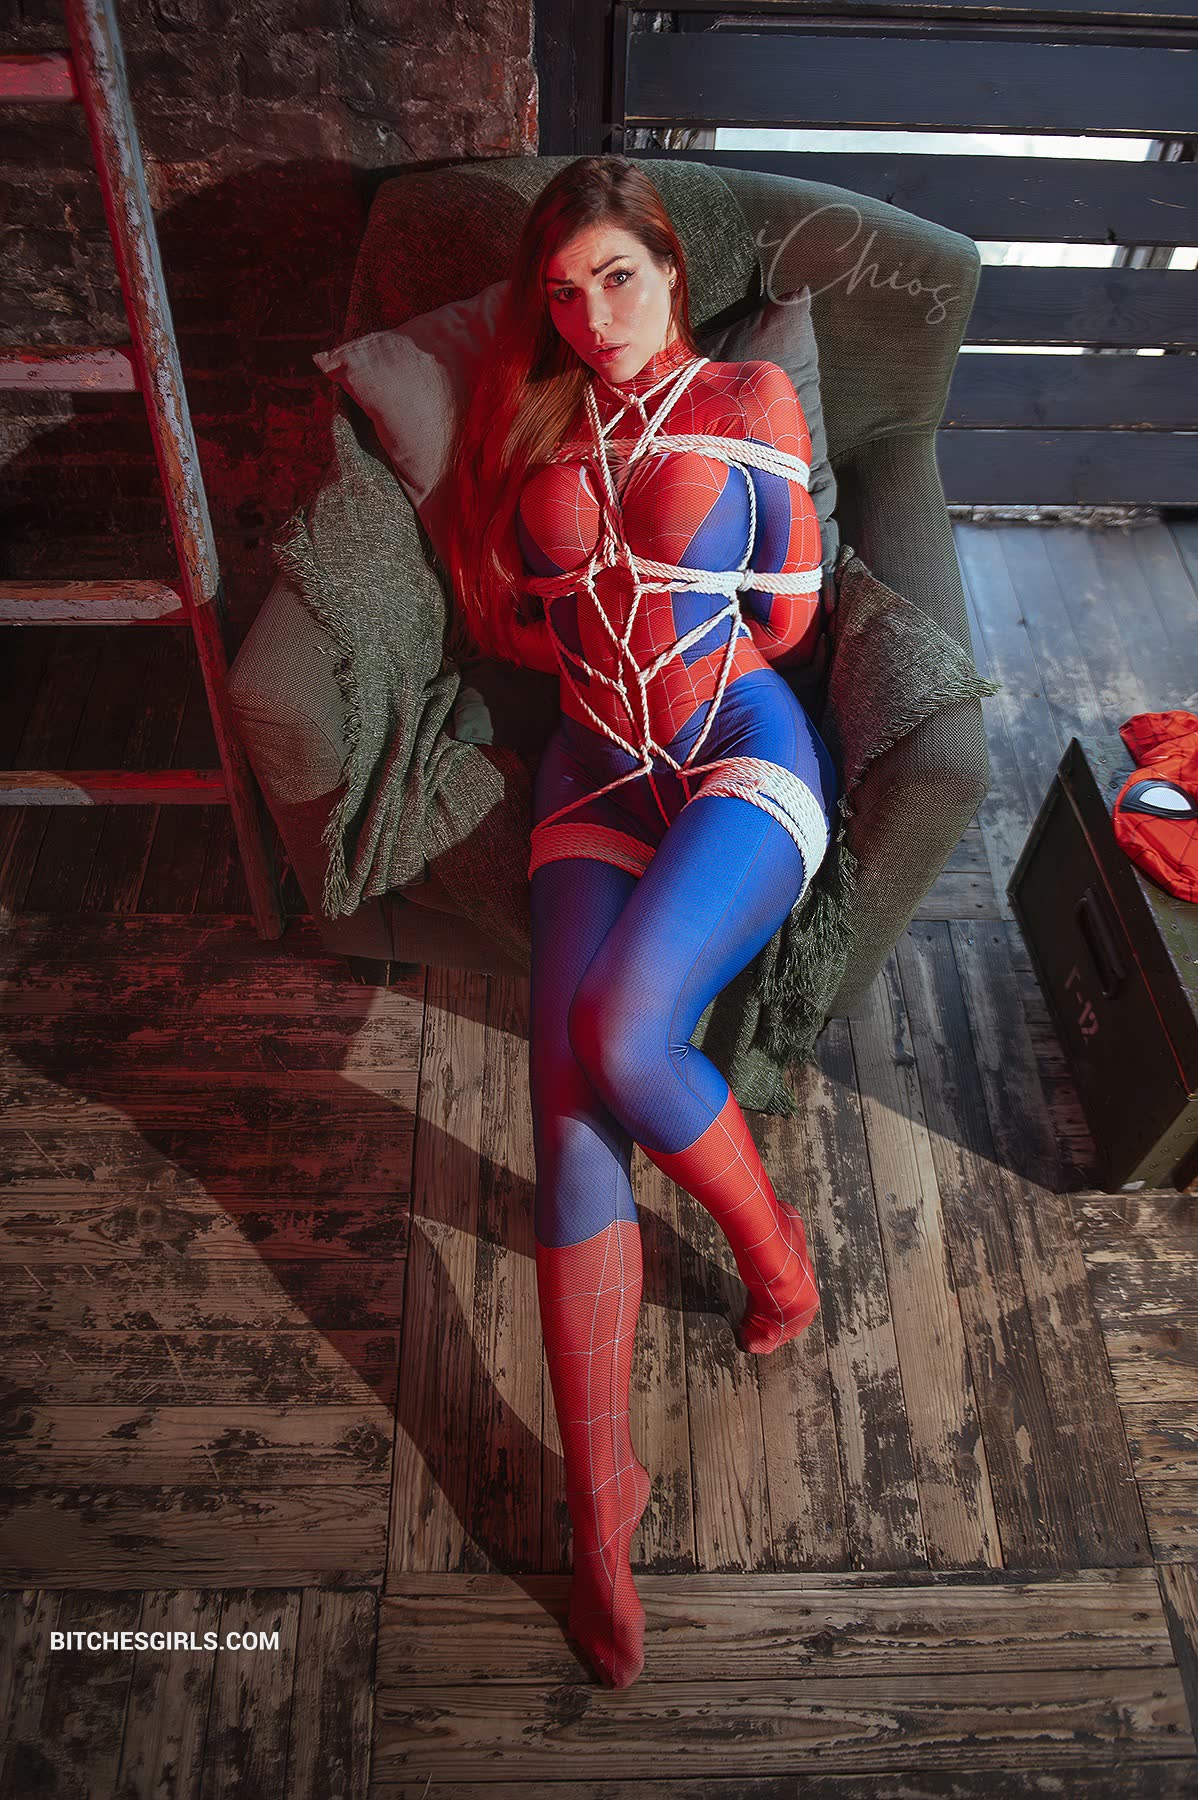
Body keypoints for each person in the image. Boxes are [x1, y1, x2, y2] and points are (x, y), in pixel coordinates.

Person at [446, 156, 839, 1691]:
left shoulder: (750, 397)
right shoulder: (530, 413)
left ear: (672, 271)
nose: (593, 315)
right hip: (592, 769)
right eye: (563, 292)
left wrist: (666, 622)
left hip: (734, 744)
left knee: (618, 1030)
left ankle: (776, 1257)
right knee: (561, 1110)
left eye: (617, 276)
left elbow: (787, 616)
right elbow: (503, 606)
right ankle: (598, 1510)